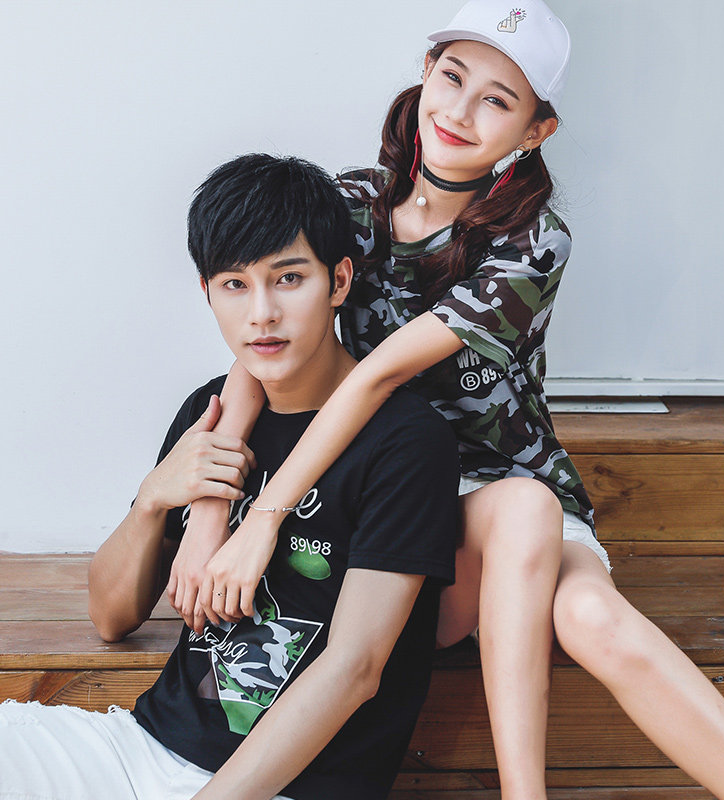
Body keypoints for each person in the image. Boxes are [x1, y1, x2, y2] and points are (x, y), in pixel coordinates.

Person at [173, 2, 724, 799]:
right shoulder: (350, 203)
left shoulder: (534, 240)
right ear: (426, 74)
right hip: (387, 491)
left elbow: (376, 375)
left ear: (536, 130)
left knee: (586, 609)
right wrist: (209, 517)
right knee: (522, 525)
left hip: (501, 493)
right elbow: (259, 348)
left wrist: (263, 519)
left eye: (497, 100)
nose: (460, 112)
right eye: (452, 78)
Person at [0, 154, 460, 800]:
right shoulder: (211, 412)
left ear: (339, 281)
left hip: (286, 786)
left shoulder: (405, 440)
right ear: (207, 292)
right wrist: (154, 499)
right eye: (235, 285)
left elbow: (355, 668)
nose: (261, 313)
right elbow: (111, 616)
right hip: (143, 747)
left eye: (288, 278)